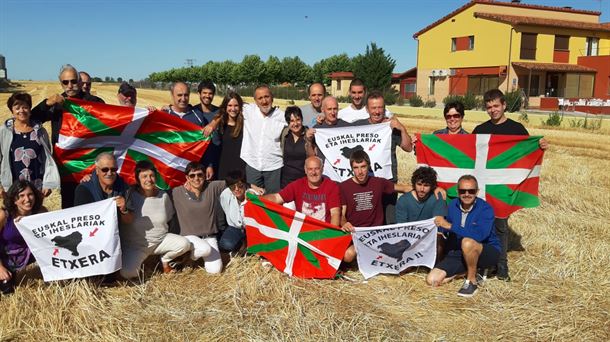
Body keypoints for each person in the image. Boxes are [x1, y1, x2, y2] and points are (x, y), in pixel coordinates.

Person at [472, 88, 548, 281]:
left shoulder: (517, 130)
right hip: (482, 187)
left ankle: (501, 264)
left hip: (503, 188)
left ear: (504, 105)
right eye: (489, 107)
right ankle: (483, 264)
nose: (492, 110)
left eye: (496, 106)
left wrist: (540, 147)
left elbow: (526, 155)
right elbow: (466, 155)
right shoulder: (480, 130)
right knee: (480, 226)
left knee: (500, 227)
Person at [31, 64, 106, 208]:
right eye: (66, 82)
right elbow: (33, 118)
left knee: (94, 206)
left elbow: (113, 122)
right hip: (67, 167)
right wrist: (47, 103)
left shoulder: (94, 102)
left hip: (90, 164)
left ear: (79, 82)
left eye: (73, 81)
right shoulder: (56, 104)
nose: (70, 85)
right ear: (61, 84)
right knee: (69, 206)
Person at [427, 175, 500, 298]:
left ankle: (471, 282)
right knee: (432, 280)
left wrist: (450, 226)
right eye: (462, 191)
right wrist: (440, 228)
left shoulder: (486, 209)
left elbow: (480, 236)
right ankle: (467, 270)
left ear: (477, 192)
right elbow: (445, 226)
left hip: (486, 251)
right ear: (457, 192)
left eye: (471, 191)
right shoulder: (452, 205)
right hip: (459, 252)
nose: (467, 194)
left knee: (467, 242)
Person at [120, 160, 190, 278]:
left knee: (185, 244)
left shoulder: (163, 196)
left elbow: (168, 217)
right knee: (127, 273)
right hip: (137, 246)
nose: (149, 179)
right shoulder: (129, 194)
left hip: (160, 241)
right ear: (137, 179)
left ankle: (164, 259)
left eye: (152, 176)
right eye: (144, 176)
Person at [339, 150, 412, 263]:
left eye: (363, 167)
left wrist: (431, 188)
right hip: (356, 234)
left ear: (369, 166)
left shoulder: (378, 183)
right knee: (348, 256)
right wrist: (344, 223)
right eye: (356, 167)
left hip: (376, 235)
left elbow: (404, 188)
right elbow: (342, 214)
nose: (360, 172)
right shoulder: (344, 187)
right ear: (351, 169)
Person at [353, 91, 412, 224]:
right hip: (365, 183)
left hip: (389, 181)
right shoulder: (358, 125)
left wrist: (401, 128)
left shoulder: (391, 127)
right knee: (368, 220)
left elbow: (408, 148)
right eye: (374, 108)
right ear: (367, 109)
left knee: (389, 219)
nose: (377, 111)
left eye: (380, 107)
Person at [0, 92, 60, 198]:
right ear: (12, 111)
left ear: (30, 109)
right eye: (17, 108)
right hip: (12, 186)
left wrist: (48, 183)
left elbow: (47, 158)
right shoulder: (4, 131)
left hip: (36, 186)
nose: (21, 111)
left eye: (25, 107)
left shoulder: (40, 131)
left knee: (37, 213)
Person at [171, 161, 225, 274]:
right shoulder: (177, 192)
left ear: (205, 175)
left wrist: (252, 188)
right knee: (205, 249)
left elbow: (233, 182)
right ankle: (184, 255)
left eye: (200, 175)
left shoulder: (212, 187)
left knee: (215, 270)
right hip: (188, 238)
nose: (196, 178)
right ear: (187, 177)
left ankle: (190, 258)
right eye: (192, 175)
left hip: (208, 236)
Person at [263, 156, 340, 226]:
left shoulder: (331, 186)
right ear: (305, 170)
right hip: (303, 231)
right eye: (310, 169)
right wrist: (256, 199)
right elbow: (276, 198)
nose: (313, 173)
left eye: (317, 168)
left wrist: (332, 234)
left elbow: (335, 213)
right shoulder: (297, 185)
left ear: (322, 169)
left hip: (324, 232)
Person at [0, 180, 47, 295]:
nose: (27, 199)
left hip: (29, 253)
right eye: (21, 195)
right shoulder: (4, 215)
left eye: (30, 194)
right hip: (6, 256)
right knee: (7, 289)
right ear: (14, 199)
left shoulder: (41, 212)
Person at [163, 82, 214, 180]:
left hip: (193, 173)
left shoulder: (197, 115)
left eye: (186, 95)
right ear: (172, 95)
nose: (183, 98)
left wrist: (209, 165)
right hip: (170, 171)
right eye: (179, 95)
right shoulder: (164, 115)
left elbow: (205, 143)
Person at [396, 166, 448, 260]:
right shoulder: (403, 200)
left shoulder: (437, 197)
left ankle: (436, 265)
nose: (422, 189)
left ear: (432, 186)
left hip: (429, 237)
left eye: (426, 185)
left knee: (439, 237)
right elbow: (401, 227)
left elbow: (439, 222)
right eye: (419, 184)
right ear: (414, 184)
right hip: (409, 236)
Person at [240, 85, 286, 194]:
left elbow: (299, 125)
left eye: (267, 97)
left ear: (272, 98)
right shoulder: (248, 110)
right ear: (255, 101)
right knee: (253, 201)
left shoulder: (283, 116)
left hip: (274, 166)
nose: (264, 101)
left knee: (273, 201)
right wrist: (212, 124)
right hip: (252, 165)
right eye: (260, 98)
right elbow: (227, 106)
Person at [73, 152, 131, 222]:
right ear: (97, 170)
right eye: (105, 170)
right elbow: (79, 221)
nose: (109, 173)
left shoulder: (124, 188)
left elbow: (129, 221)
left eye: (113, 169)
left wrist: (124, 209)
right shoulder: (84, 189)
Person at [218, 170, 259, 252]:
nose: (236, 189)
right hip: (235, 227)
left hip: (253, 229)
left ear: (245, 184)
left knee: (256, 249)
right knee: (225, 244)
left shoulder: (253, 196)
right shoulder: (225, 195)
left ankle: (248, 243)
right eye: (232, 187)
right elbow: (226, 210)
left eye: (240, 186)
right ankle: (242, 243)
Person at [280, 106, 316, 188]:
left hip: (303, 181)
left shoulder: (309, 134)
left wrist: (309, 140)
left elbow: (312, 157)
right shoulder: (285, 134)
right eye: (292, 121)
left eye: (298, 120)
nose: (295, 124)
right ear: (288, 123)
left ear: (302, 120)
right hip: (285, 181)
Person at [193, 81, 221, 178]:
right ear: (199, 94)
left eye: (210, 93)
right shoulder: (192, 111)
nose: (207, 96)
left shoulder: (220, 112)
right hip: (199, 161)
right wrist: (168, 107)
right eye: (204, 93)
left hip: (217, 159)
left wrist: (214, 123)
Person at [215, 92, 246, 180]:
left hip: (241, 168)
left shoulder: (246, 124)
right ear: (225, 107)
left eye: (236, 105)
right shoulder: (220, 124)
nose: (233, 109)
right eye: (230, 105)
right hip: (223, 167)